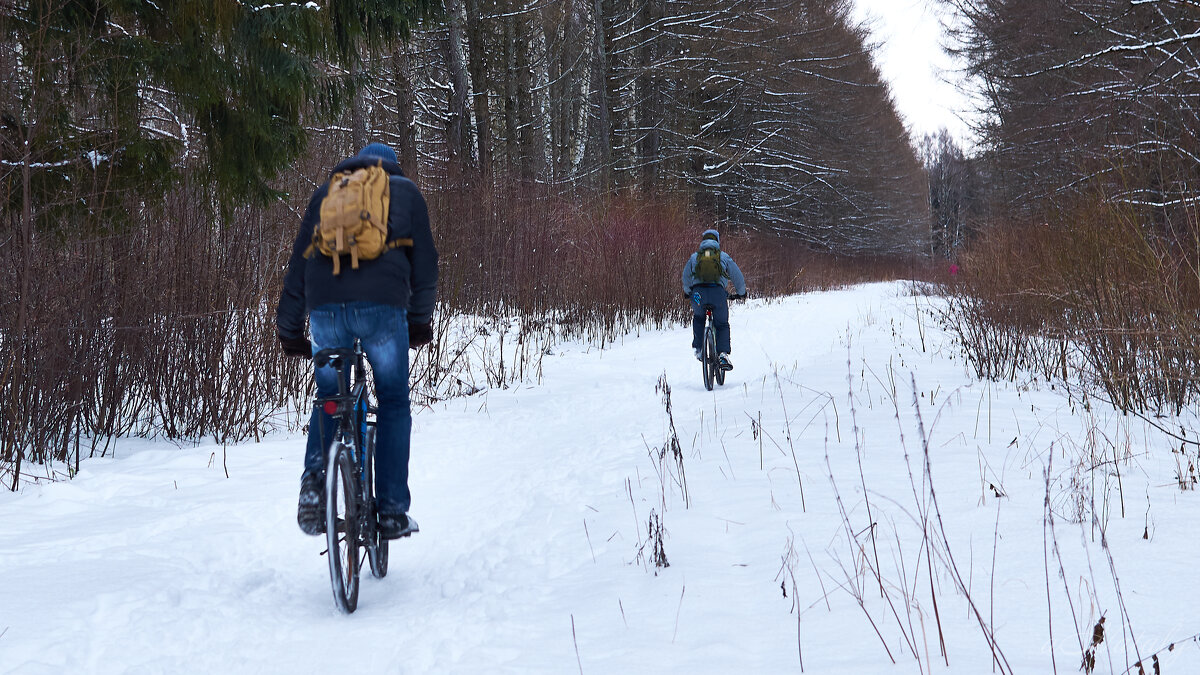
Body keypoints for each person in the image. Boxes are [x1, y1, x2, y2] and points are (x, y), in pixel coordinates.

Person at [276, 142, 437, 540]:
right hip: (382, 309)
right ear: (391, 168)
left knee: (329, 398)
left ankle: (315, 484)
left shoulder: (326, 192)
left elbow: (298, 266)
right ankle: (392, 510)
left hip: (325, 307)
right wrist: (418, 323)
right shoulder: (406, 192)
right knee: (394, 401)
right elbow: (426, 267)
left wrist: (289, 331)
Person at [681, 229, 746, 370]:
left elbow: (686, 277)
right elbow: (737, 276)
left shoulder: (694, 257)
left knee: (698, 318)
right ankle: (722, 353)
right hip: (717, 293)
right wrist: (741, 293)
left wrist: (688, 292)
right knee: (721, 324)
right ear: (717, 241)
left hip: (698, 294)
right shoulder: (722, 256)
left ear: (703, 241)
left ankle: (699, 349)